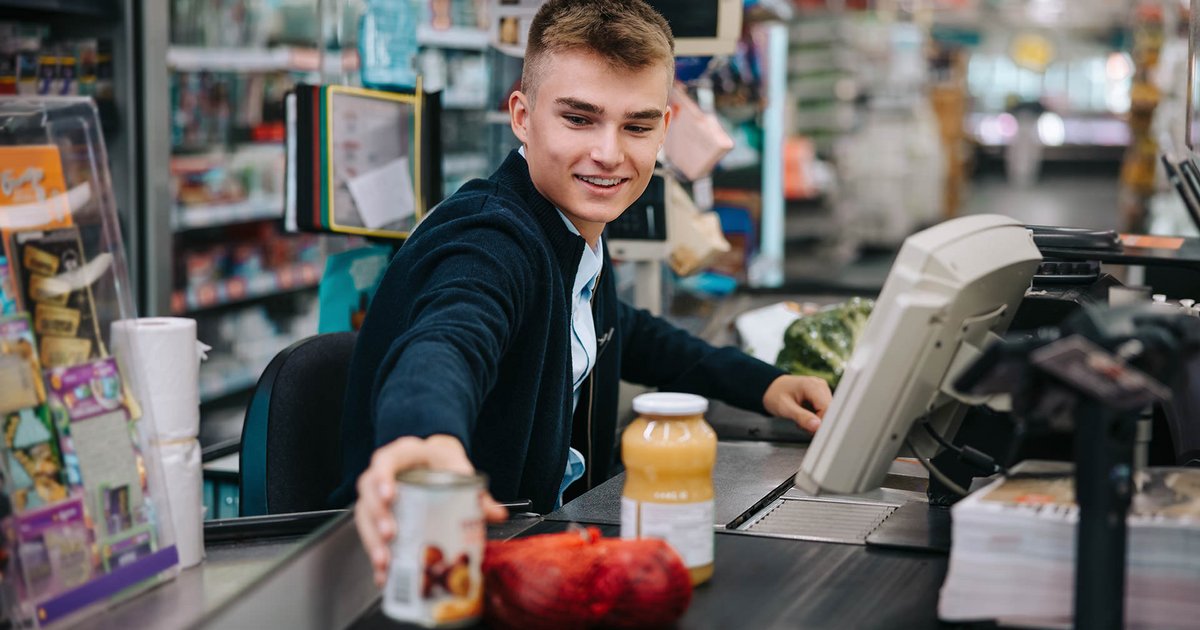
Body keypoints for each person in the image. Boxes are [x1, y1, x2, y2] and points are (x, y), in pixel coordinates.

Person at [333, 0, 833, 586]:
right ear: (522, 116)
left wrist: (764, 384)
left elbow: (624, 327)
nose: (609, 153)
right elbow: (448, 336)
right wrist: (424, 439)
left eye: (637, 126)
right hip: (416, 567)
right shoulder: (491, 238)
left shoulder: (570, 230)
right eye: (579, 118)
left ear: (664, 130)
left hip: (514, 556)